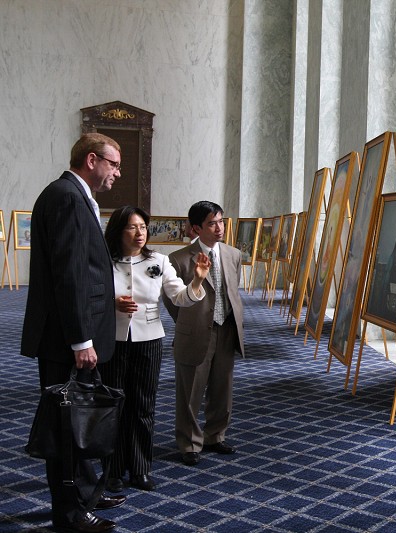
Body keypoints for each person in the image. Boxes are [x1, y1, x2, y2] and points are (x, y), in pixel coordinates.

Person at [21, 133, 123, 532]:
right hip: (67, 339)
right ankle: (69, 514)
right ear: (92, 160)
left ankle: (84, 492)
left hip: (74, 335)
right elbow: (70, 274)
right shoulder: (66, 197)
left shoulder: (74, 195)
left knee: (78, 419)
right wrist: (81, 340)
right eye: (114, 164)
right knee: (66, 426)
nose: (117, 173)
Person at [99, 206, 210, 492]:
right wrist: (112, 304)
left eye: (143, 227)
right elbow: (90, 297)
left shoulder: (159, 260)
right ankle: (113, 470)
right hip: (112, 340)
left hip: (149, 341)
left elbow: (180, 297)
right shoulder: (103, 260)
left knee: (143, 405)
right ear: (118, 231)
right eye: (132, 227)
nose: (140, 233)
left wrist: (197, 279)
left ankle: (140, 468)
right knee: (113, 405)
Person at [164, 201, 245, 466]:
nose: (219, 228)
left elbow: (232, 291)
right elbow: (172, 301)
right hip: (195, 332)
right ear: (197, 228)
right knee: (190, 392)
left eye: (221, 221)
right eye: (212, 223)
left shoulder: (233, 255)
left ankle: (215, 435)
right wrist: (188, 323)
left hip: (227, 329)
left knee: (223, 389)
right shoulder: (179, 259)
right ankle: (189, 443)